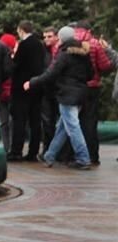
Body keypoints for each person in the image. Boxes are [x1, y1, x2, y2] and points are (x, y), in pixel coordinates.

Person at [25, 26, 93, 169]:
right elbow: (90, 75)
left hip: (67, 95)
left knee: (72, 127)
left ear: (61, 38)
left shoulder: (64, 54)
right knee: (63, 126)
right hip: (81, 94)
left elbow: (51, 74)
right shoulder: (84, 53)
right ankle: (50, 155)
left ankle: (83, 158)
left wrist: (31, 82)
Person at [72, 21, 115, 164]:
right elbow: (105, 65)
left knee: (74, 121)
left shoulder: (70, 42)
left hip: (75, 87)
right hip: (93, 87)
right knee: (90, 121)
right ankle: (92, 156)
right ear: (89, 30)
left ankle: (76, 155)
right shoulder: (95, 44)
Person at [9, 20, 48, 161]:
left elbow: (16, 65)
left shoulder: (24, 45)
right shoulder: (39, 44)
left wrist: (12, 56)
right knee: (35, 121)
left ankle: (16, 151)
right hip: (36, 86)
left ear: (21, 30)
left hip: (21, 87)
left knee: (19, 120)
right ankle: (33, 152)